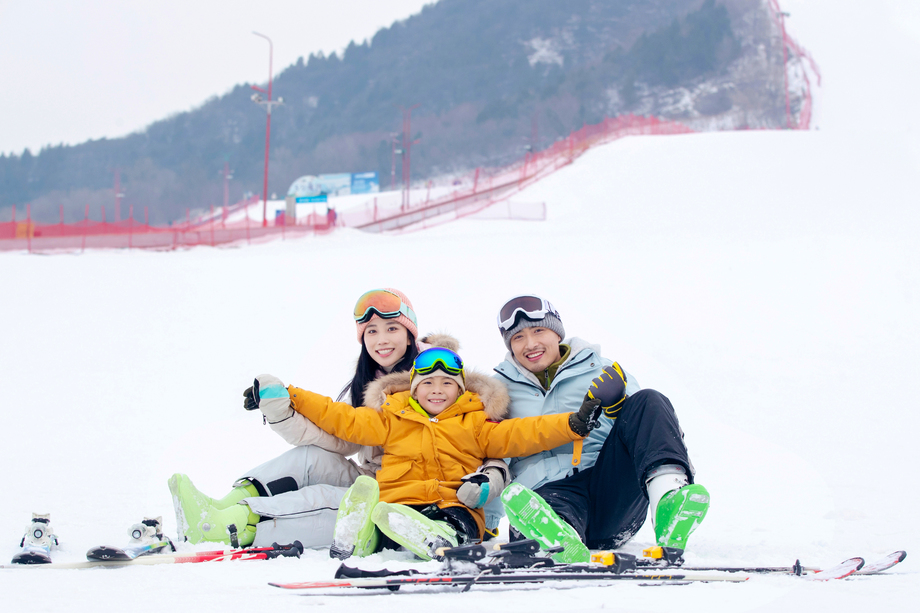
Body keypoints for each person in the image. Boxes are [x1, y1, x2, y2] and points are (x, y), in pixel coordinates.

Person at [168, 288, 509, 549]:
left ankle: (235, 523)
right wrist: (282, 411)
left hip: (423, 495)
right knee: (309, 458)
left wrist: (485, 512)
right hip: (376, 479)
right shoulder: (368, 385)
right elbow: (339, 440)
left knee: (327, 501)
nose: (381, 339)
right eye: (371, 332)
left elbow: (489, 442)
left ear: (410, 334)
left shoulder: (445, 378)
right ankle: (218, 509)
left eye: (391, 328)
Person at [245, 347, 601, 561]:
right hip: (397, 503)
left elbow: (526, 433)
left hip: (452, 503)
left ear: (461, 391)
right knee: (386, 516)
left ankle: (439, 539)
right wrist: (290, 393)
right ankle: (363, 534)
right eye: (427, 383)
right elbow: (341, 418)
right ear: (413, 389)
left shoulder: (476, 424)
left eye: (448, 383)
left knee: (456, 523)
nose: (437, 389)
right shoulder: (390, 420)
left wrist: (573, 424)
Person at [490, 295, 710, 563]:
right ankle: (557, 537)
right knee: (540, 505)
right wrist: (485, 523)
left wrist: (619, 407)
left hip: (610, 493)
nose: (530, 344)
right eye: (518, 337)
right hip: (547, 494)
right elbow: (488, 455)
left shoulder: (601, 370)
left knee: (648, 400)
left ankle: (669, 500)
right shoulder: (496, 392)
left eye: (539, 331)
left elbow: (652, 429)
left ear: (557, 333)